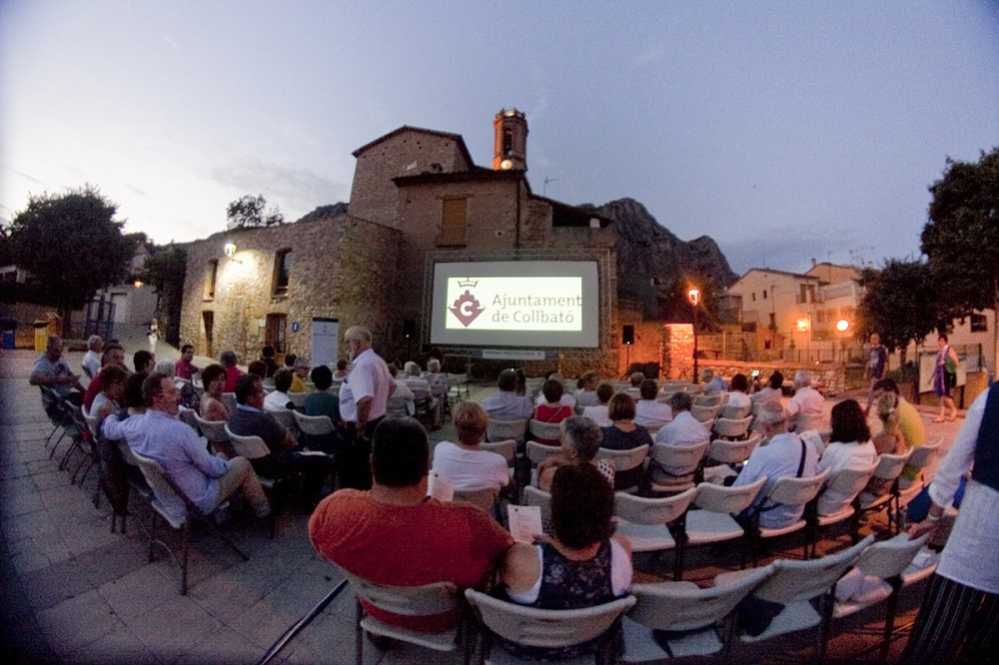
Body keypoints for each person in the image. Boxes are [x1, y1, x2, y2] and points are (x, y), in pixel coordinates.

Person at [309, 417, 514, 633]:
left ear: (371, 462)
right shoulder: (471, 522)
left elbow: (322, 550)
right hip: (442, 619)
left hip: (374, 606)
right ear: (426, 467)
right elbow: (505, 553)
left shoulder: (333, 509)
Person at [901, 383, 999, 664]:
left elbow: (951, 468)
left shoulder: (991, 399)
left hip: (979, 536)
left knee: (935, 638)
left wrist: (932, 518)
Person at [500, 463, 633, 660]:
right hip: (589, 646)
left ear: (555, 511)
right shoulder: (621, 548)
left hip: (526, 649)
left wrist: (541, 547)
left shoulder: (521, 558)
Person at [101, 373, 270, 524]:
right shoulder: (180, 431)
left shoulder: (133, 425)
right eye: (173, 392)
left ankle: (234, 509)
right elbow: (212, 469)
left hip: (169, 499)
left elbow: (108, 428)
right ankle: (264, 515)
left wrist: (113, 415)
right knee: (241, 463)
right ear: (157, 399)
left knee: (220, 458)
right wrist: (222, 462)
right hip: (197, 500)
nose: (179, 395)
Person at [227, 373, 329, 506]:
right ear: (250, 398)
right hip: (272, 466)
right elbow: (290, 442)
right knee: (321, 459)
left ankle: (294, 489)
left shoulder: (233, 416)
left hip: (252, 463)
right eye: (259, 392)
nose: (264, 394)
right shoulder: (262, 419)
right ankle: (307, 501)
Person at [732, 402, 819, 529]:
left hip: (764, 517)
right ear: (786, 421)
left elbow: (739, 491)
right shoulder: (809, 447)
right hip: (796, 514)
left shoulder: (763, 454)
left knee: (725, 481)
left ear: (766, 428)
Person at [338, 325, 395, 490]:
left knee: (354, 474)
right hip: (377, 421)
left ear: (356, 344)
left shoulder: (361, 366)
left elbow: (364, 399)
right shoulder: (379, 361)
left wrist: (360, 425)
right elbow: (392, 385)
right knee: (367, 470)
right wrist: (380, 402)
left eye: (347, 343)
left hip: (360, 428)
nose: (345, 347)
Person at [815, 400, 877, 516]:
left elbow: (818, 480)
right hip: (847, 501)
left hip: (824, 505)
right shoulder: (868, 445)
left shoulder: (835, 449)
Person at [431, 401, 510, 491]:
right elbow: (505, 484)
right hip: (483, 504)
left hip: (447, 503)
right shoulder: (497, 461)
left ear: (455, 426)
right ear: (484, 428)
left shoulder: (441, 449)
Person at [536, 416, 615, 491]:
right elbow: (584, 466)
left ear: (573, 452)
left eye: (563, 438)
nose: (560, 440)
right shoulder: (609, 469)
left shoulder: (553, 477)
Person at [653, 392, 710, 484]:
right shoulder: (703, 430)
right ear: (690, 407)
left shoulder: (665, 430)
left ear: (672, 408)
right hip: (691, 473)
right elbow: (705, 454)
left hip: (665, 474)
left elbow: (656, 455)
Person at [601, 393, 653, 491]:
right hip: (635, 482)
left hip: (609, 484)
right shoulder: (642, 432)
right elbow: (651, 454)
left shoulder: (603, 435)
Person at [30, 335, 85, 404]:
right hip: (56, 400)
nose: (59, 353)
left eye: (60, 350)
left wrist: (82, 390)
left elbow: (69, 372)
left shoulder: (60, 357)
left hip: (67, 395)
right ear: (48, 348)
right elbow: (32, 379)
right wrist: (57, 380)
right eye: (56, 351)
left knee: (88, 401)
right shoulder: (42, 362)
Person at [303, 365, 340, 454]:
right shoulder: (335, 400)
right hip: (330, 442)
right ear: (330, 381)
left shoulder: (308, 399)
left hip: (310, 441)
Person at [83, 343, 127, 412]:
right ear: (106, 360)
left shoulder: (104, 373)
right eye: (116, 358)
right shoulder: (105, 379)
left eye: (122, 358)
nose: (120, 361)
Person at [533, 379, 573, 445]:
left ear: (544, 394)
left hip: (541, 446)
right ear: (561, 393)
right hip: (562, 447)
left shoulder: (537, 410)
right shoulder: (569, 410)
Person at [934, 333, 960, 422]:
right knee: (941, 396)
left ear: (944, 341)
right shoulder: (939, 352)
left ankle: (954, 410)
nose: (939, 343)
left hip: (948, 376)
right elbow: (937, 365)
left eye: (940, 341)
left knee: (946, 396)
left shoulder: (950, 350)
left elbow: (956, 362)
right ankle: (941, 416)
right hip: (940, 376)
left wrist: (945, 362)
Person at [864, 332, 888, 415]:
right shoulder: (871, 349)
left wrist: (884, 372)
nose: (872, 340)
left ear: (878, 339)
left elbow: (885, 362)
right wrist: (866, 372)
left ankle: (868, 409)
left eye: (874, 339)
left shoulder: (881, 349)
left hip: (879, 372)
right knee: (874, 392)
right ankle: (869, 409)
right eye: (871, 339)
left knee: (874, 391)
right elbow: (869, 361)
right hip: (873, 372)